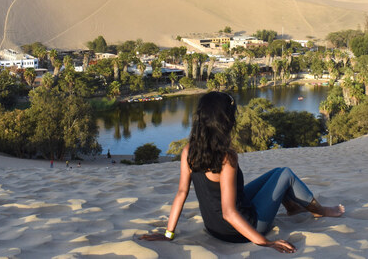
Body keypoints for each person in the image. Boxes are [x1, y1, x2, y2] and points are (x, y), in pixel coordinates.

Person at [140, 91, 343, 254]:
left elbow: (181, 193)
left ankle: (291, 206)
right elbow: (229, 212)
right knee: (286, 174)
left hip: (213, 228)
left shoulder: (188, 151)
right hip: (242, 230)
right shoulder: (226, 157)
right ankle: (321, 210)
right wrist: (265, 243)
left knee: (276, 173)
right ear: (225, 121)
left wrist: (168, 234)